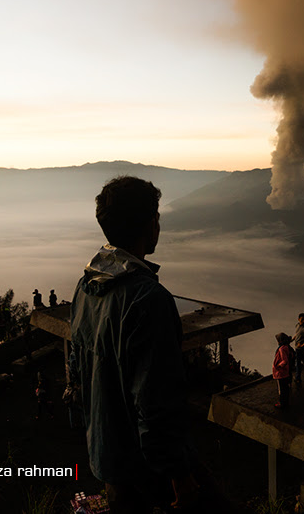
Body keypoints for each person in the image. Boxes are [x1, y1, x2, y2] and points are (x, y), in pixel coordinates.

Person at [70, 176, 200, 512]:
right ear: (149, 224)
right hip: (145, 471)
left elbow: (79, 370)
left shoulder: (84, 289)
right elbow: (156, 400)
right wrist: (178, 474)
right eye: (156, 215)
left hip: (105, 457)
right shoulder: (148, 299)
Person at [272, 333, 293, 409]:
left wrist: (278, 366)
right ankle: (285, 402)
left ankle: (282, 403)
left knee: (281, 389)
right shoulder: (287, 347)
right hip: (285, 372)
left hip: (280, 372)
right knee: (285, 388)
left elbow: (284, 360)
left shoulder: (281, 349)